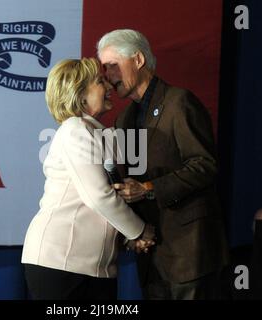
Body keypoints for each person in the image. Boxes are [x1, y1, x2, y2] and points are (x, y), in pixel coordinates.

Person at [97, 29, 230, 300]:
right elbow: (130, 180)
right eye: (104, 68)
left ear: (138, 60)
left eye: (113, 65)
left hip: (190, 253)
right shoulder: (124, 119)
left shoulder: (179, 102)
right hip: (151, 256)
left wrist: (148, 188)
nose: (108, 76)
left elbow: (204, 165)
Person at [22, 58, 155, 300]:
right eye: (100, 82)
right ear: (80, 95)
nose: (108, 86)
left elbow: (113, 193)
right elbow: (98, 196)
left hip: (95, 267)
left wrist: (128, 236)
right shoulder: (76, 130)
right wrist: (139, 231)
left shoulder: (101, 134)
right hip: (62, 262)